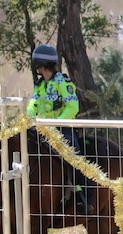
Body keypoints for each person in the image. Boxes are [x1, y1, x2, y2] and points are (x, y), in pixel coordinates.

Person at [26, 44, 92, 214]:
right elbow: (32, 105)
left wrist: (55, 123)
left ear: (40, 64)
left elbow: (72, 107)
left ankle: (83, 197)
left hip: (63, 130)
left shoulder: (63, 81)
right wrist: (31, 117)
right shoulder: (40, 85)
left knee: (74, 158)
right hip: (41, 129)